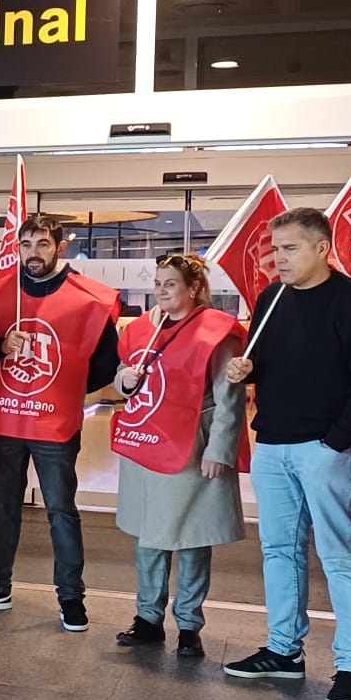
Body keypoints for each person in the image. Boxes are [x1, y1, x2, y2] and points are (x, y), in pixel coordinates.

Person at [223, 208, 351, 700]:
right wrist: (248, 369)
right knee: (279, 551)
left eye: (289, 248)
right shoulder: (271, 297)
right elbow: (277, 360)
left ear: (322, 248)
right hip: (274, 443)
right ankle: (283, 649)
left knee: (341, 555)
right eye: (275, 249)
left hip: (329, 448)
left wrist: (337, 442)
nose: (278, 258)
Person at [0, 213, 120, 632]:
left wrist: (67, 386)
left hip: (54, 423)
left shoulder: (90, 300)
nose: (33, 253)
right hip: (5, 421)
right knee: (4, 509)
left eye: (42, 245)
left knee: (61, 511)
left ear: (60, 247)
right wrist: (0, 346)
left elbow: (108, 362)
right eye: (26, 245)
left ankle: (71, 596)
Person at [110, 254, 247, 657]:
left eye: (171, 284)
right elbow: (124, 370)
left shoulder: (215, 333)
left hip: (192, 447)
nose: (162, 291)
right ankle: (148, 618)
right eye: (157, 283)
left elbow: (230, 397)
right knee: (148, 537)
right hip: (146, 445)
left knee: (191, 538)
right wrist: (124, 380)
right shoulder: (139, 330)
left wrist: (219, 449)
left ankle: (189, 624)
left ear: (193, 288)